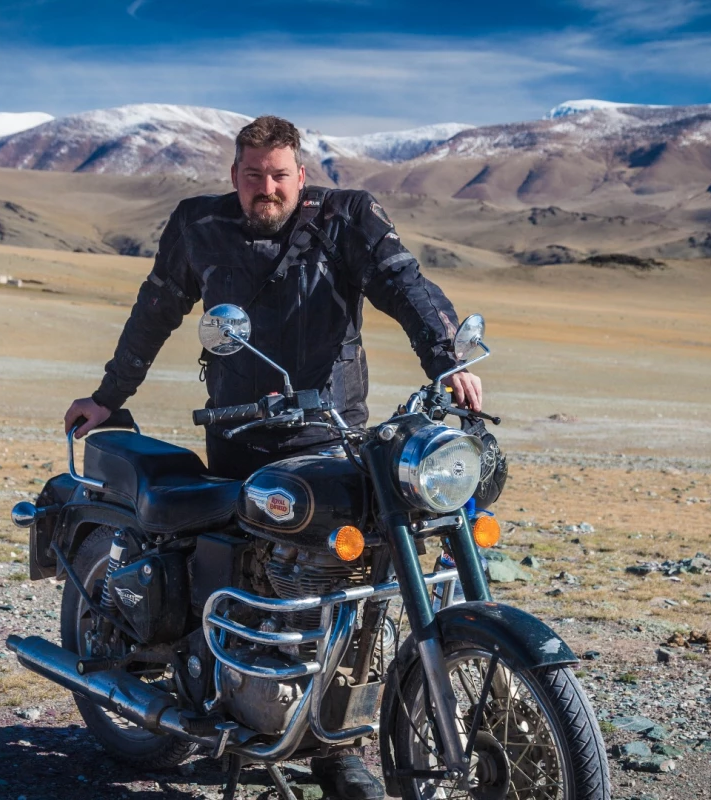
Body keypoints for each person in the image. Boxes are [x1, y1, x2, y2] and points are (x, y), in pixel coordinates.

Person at [64, 115, 481, 800]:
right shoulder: (200, 225)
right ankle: (238, 702)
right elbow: (157, 309)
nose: (266, 188)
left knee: (344, 590)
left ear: (301, 174)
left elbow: (405, 283)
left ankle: (331, 746)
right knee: (255, 581)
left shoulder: (347, 218)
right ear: (234, 176)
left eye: (279, 175)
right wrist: (110, 395)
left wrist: (447, 363)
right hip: (239, 435)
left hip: (332, 435)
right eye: (253, 175)